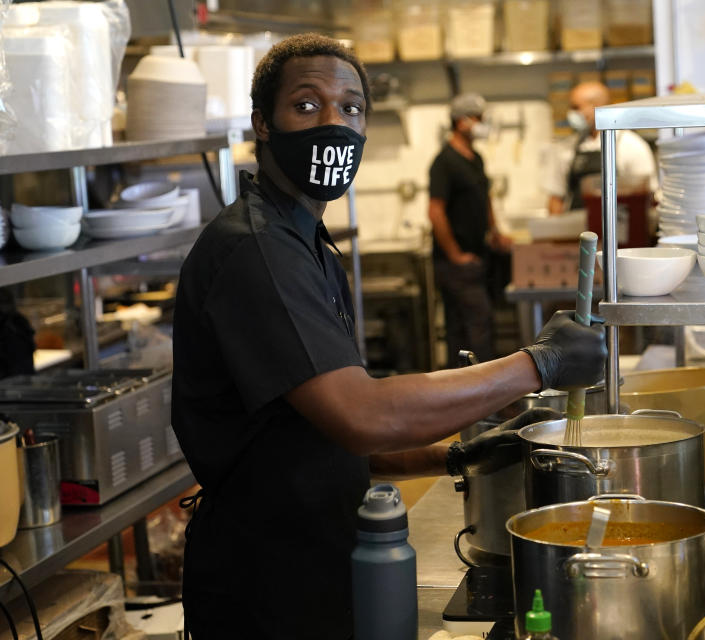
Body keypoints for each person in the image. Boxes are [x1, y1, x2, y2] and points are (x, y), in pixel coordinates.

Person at [171, 34, 606, 639]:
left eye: (350, 108)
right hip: (267, 583)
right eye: (306, 105)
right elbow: (362, 416)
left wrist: (454, 455)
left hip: (316, 557)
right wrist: (540, 364)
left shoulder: (303, 242)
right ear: (262, 124)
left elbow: (321, 428)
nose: (333, 123)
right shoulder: (256, 249)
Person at [428, 93, 511, 365]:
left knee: (465, 327)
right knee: (477, 326)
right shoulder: (444, 162)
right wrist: (455, 255)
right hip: (456, 264)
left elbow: (484, 198)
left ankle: (468, 397)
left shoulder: (475, 158)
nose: (483, 124)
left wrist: (495, 232)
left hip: (477, 256)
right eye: (478, 118)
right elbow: (435, 211)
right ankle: (487, 397)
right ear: (461, 122)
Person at [542, 81, 658, 214]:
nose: (571, 113)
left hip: (620, 228)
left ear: (597, 107)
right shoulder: (567, 147)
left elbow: (648, 196)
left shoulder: (632, 146)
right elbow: (556, 198)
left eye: (576, 107)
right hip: (578, 230)